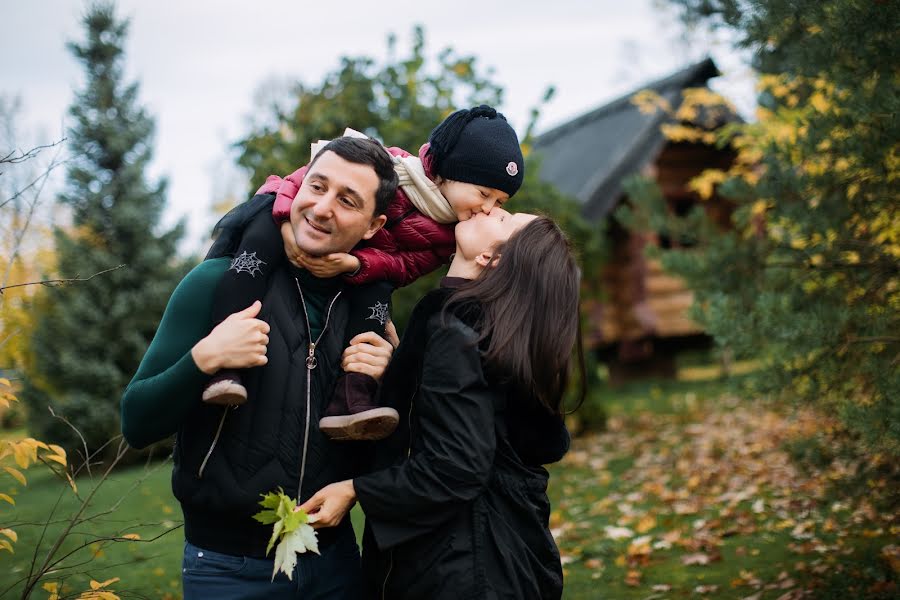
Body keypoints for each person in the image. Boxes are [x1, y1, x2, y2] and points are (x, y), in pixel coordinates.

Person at [120, 136, 401, 599]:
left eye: (347, 200)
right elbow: (136, 421)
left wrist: (387, 377)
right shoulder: (215, 283)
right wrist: (204, 358)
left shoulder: (367, 311)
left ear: (374, 226)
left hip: (336, 563)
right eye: (318, 186)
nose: (323, 207)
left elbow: (402, 446)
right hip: (227, 571)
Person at [299, 209, 583, 599]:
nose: (489, 207)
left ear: (491, 258)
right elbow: (464, 423)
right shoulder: (480, 336)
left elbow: (457, 466)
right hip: (500, 557)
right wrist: (405, 373)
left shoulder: (455, 332)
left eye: (502, 218)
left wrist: (355, 490)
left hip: (460, 568)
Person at [203, 105, 525, 443]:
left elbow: (404, 268)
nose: (488, 207)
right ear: (447, 173)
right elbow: (303, 180)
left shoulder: (449, 236)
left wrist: (357, 265)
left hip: (359, 258)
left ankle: (352, 394)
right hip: (294, 216)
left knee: (377, 297)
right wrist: (286, 222)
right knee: (254, 254)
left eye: (500, 202)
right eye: (484, 194)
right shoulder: (388, 165)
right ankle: (226, 364)